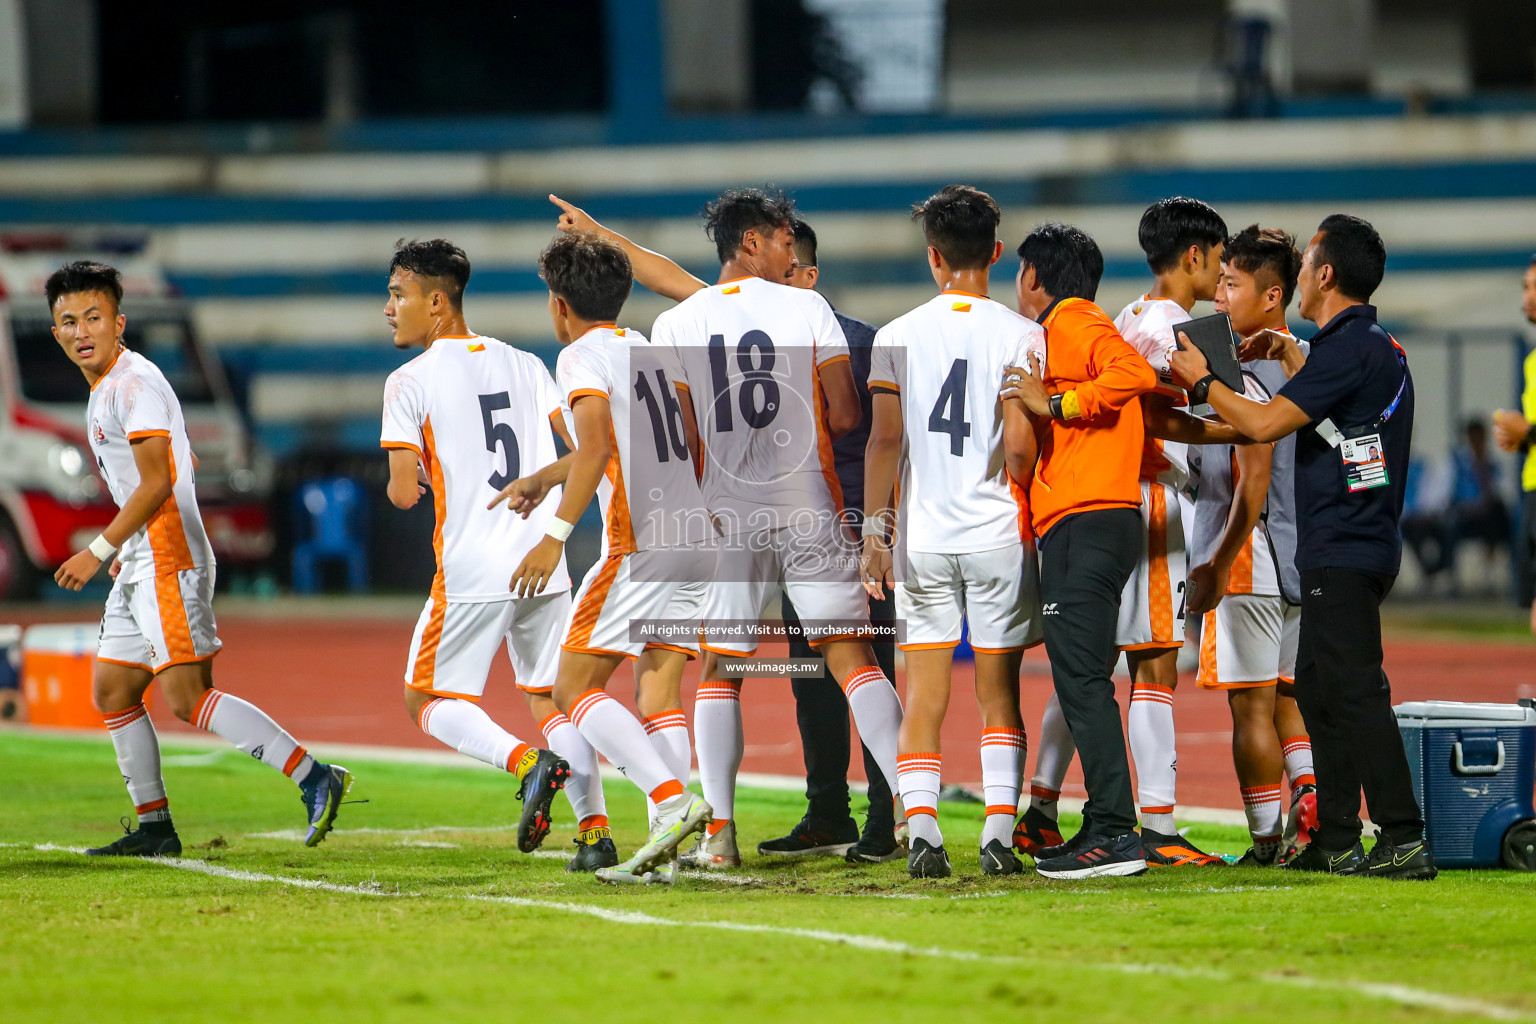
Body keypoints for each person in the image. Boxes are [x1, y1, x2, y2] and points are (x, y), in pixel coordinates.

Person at [546, 199, 903, 865]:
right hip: (812, 506)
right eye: (785, 242)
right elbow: (850, 415)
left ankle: (718, 835)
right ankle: (916, 816)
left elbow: (683, 423)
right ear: (753, 241)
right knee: (850, 658)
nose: (794, 256)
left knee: (719, 670)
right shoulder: (808, 309)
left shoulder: (684, 319)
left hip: (721, 518)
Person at [47, 260, 351, 857]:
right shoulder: (105, 387)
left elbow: (157, 482)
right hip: (141, 558)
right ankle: (156, 828)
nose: (82, 330)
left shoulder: (132, 384)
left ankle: (315, 776)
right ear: (55, 333)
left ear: (119, 323)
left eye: (93, 317)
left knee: (187, 699)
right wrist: (122, 549)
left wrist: (99, 547)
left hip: (167, 554)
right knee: (112, 690)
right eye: (67, 321)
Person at [1170, 213, 1437, 880]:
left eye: (1310, 258)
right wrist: (1293, 357)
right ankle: (1337, 837)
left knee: (1355, 692)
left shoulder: (1346, 351)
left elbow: (1261, 424)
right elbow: (1356, 448)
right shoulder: (1376, 348)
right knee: (1317, 688)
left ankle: (1403, 836)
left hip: (1344, 544)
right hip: (1352, 538)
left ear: (1323, 275)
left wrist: (1205, 382)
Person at [1023, 196, 1230, 869]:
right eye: (1220, 262)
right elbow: (1154, 416)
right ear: (1194, 256)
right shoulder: (1173, 326)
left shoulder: (1127, 315)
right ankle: (1159, 828)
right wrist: (1236, 427)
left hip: (1098, 498)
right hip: (1148, 496)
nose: (1223, 277)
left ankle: (1043, 806)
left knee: (1085, 664)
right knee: (1153, 664)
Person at [504, 231, 715, 885]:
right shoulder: (647, 348)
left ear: (559, 305)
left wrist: (555, 532)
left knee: (573, 687)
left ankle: (670, 800)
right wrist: (551, 473)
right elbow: (656, 436)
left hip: (639, 540)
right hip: (694, 531)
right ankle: (674, 838)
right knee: (657, 684)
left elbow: (596, 446)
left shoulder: (577, 358)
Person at [379, 239, 588, 862]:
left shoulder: (408, 381)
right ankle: (597, 832)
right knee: (554, 697)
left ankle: (527, 763)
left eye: (398, 295)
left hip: (473, 569)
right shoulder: (524, 362)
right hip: (544, 560)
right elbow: (584, 450)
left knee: (426, 699)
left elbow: (399, 495)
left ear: (437, 301)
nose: (389, 309)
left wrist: (411, 479)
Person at [860, 185, 1042, 878]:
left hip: (926, 538)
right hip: (997, 531)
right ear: (995, 253)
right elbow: (1023, 441)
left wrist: (875, 533)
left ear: (933, 256)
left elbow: (883, 444)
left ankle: (927, 832)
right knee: (1000, 693)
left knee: (925, 694)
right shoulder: (1025, 334)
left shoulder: (896, 334)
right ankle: (998, 833)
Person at [1000, 223, 1159, 879]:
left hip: (1088, 518)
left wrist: (1057, 401)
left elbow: (1135, 372)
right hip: (1089, 517)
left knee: (1083, 679)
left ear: (1035, 278)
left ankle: (1117, 832)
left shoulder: (1072, 319)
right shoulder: (1069, 324)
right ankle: (1104, 823)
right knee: (1080, 675)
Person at [1185, 225, 1316, 866]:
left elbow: (1254, 473)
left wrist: (1215, 561)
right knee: (1288, 695)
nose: (1219, 295)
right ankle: (1311, 806)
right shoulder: (1309, 363)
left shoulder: (1235, 369)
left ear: (1272, 295)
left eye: (1231, 284)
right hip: (1304, 559)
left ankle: (1267, 839)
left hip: (1252, 557)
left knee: (1251, 708)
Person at [1492, 254, 1536, 632]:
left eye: (1531, 286)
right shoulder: (1532, 360)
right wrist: (1520, 440)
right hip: (1532, 488)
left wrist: (1530, 433)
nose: (1526, 294)